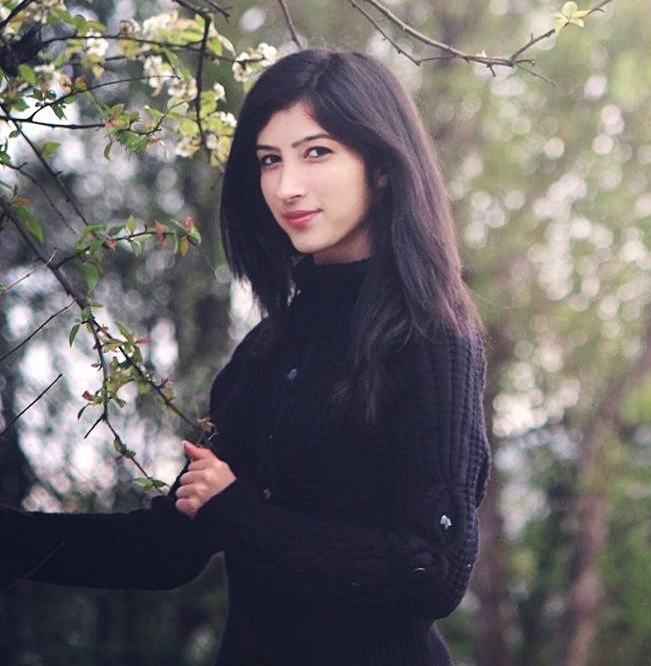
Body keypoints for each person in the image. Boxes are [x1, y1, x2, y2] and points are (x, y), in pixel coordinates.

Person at [0, 49, 490, 666]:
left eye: (317, 152)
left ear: (383, 166)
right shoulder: (267, 351)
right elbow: (167, 548)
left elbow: (434, 570)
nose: (287, 186)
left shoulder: (431, 336)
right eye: (269, 160)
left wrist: (240, 511)